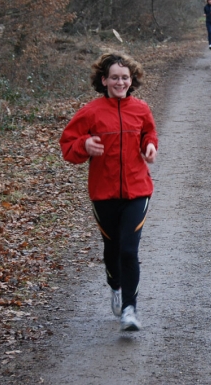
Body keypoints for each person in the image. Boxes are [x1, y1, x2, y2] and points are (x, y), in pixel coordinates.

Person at [60, 52, 158, 332]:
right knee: (112, 248)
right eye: (114, 77)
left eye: (125, 77)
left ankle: (130, 309)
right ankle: (115, 286)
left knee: (129, 249)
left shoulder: (140, 108)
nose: (120, 82)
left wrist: (150, 145)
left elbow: (149, 133)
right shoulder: (90, 112)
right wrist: (84, 146)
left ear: (132, 80)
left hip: (138, 190)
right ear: (103, 80)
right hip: (103, 193)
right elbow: (68, 146)